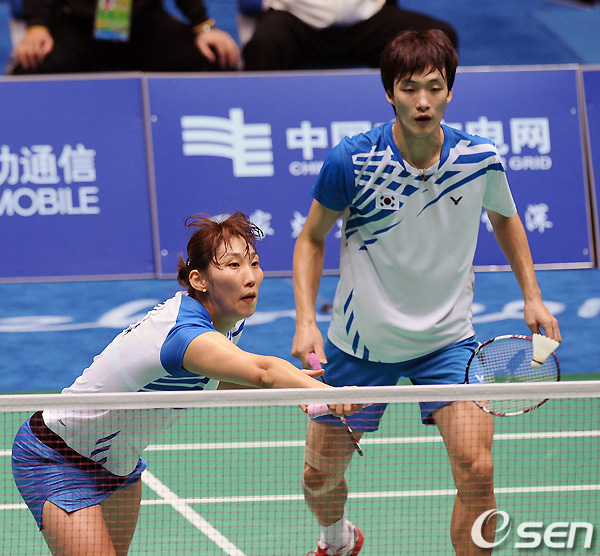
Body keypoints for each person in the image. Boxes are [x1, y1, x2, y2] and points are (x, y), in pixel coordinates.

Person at [292, 29, 562, 556]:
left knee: (477, 471)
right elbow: (311, 238)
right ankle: (337, 537)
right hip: (360, 346)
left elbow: (505, 218)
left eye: (434, 88)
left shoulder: (478, 158)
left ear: (450, 92)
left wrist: (532, 294)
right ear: (389, 92)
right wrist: (305, 321)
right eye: (409, 88)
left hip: (447, 342)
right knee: (318, 479)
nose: (422, 101)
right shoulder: (352, 160)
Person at [12, 212, 359, 556]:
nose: (250, 276)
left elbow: (211, 381)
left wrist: (292, 387)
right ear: (199, 279)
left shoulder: (226, 322)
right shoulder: (185, 335)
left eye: (253, 263)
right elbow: (264, 370)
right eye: (234, 265)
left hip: (118, 465)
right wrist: (327, 394)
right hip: (58, 456)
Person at [10, 0, 240, 74]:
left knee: (216, 58)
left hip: (143, 25)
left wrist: (203, 26)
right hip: (77, 25)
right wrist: (37, 26)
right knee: (30, 67)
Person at [242, 0, 457, 71]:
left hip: (367, 19)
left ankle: (417, 130)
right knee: (265, 45)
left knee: (437, 38)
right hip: (294, 19)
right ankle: (265, 127)